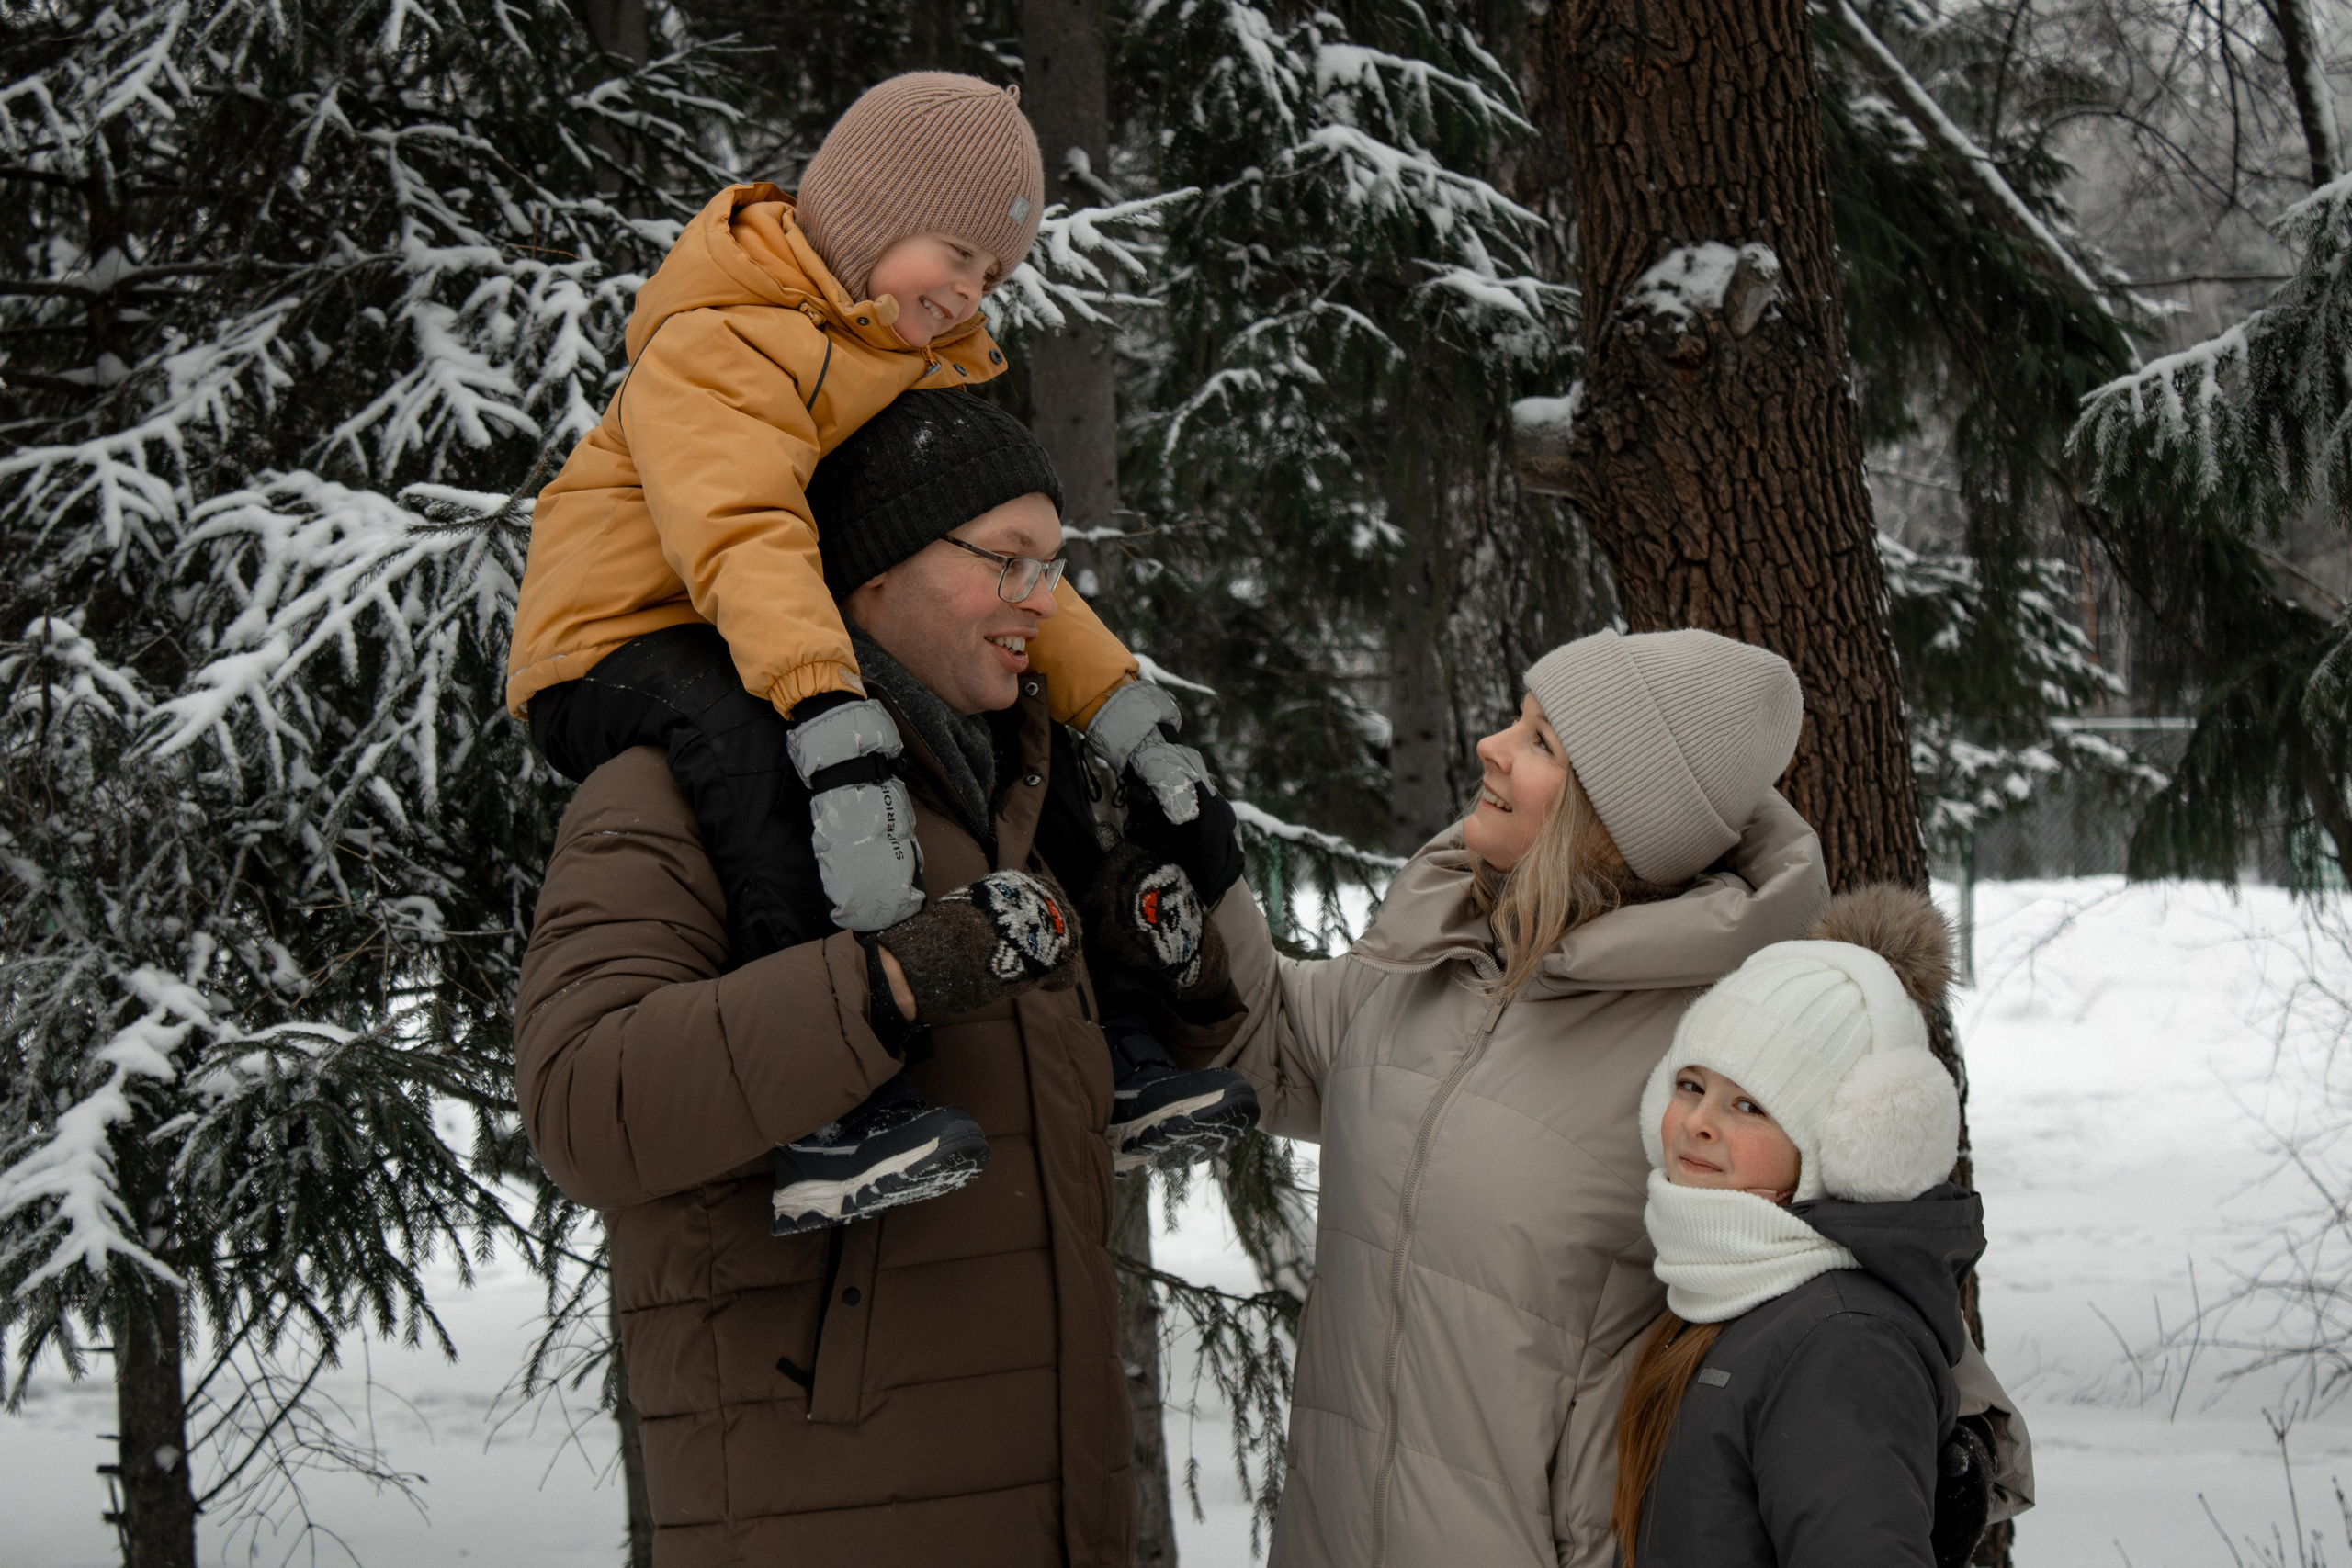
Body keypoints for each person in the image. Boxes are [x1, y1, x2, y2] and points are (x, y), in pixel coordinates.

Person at [511, 404, 1255, 1564]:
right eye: (1005, 560)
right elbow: (582, 1105)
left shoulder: (1020, 799)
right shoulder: (680, 795)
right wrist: (886, 986)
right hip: (825, 1504)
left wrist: (1177, 985)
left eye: (1052, 568)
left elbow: (1053, 1111)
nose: (1043, 602)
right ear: (867, 575)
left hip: (1053, 1498)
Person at [508, 73, 1234, 1213]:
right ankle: (827, 1115)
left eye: (993, 275)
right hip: (620, 638)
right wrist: (829, 715)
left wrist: (1120, 707)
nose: (967, 293)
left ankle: (1125, 1056)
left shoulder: (888, 358)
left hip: (762, 622)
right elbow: (744, 536)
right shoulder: (722, 338)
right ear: (861, 210)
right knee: (758, 753)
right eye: (951, 253)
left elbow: (1006, 563)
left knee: (1005, 742)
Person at [1189, 626, 1831, 1567]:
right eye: (1519, 720)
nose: (1491, 745)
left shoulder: (1726, 1044)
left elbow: (1848, 1290)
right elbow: (1272, 1043)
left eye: (1540, 744)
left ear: (1615, 819)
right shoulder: (1449, 947)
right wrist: (1201, 879)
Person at [1614, 885, 2034, 1568]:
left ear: (1845, 1140)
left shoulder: (1840, 1343)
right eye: (1690, 1084)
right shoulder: (1728, 1290)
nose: (1698, 1120)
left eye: (1749, 1104)